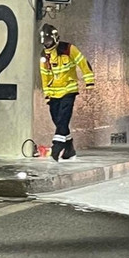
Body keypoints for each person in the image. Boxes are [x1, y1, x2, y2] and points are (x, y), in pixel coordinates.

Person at [39, 24, 95, 161]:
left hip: (69, 90)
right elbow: (45, 75)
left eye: (48, 41)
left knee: (63, 118)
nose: (47, 44)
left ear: (55, 39)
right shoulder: (44, 56)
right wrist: (47, 94)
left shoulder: (69, 49)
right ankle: (69, 149)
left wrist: (89, 82)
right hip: (54, 94)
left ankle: (57, 146)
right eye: (44, 42)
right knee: (58, 121)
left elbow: (83, 63)